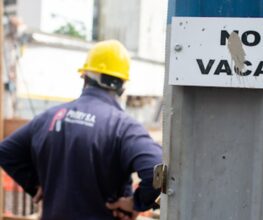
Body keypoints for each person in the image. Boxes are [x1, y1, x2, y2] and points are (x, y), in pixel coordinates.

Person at [0, 40, 163, 220]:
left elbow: (6, 151)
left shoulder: (50, 116)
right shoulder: (123, 127)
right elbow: (155, 167)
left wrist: (35, 184)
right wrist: (136, 203)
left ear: (85, 77)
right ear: (122, 86)